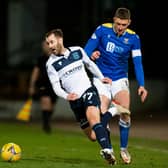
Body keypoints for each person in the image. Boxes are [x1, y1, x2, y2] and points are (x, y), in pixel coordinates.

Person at [45, 28, 129, 165]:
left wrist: (101, 78)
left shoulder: (77, 51)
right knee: (93, 136)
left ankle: (107, 150)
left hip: (88, 91)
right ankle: (113, 111)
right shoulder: (50, 64)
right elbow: (56, 86)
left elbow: (90, 64)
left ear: (60, 40)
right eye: (48, 43)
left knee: (94, 118)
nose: (50, 46)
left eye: (52, 42)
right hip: (75, 100)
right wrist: (67, 96)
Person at [84, 7, 148, 164]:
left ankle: (123, 148)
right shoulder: (102, 30)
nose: (120, 28)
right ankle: (109, 150)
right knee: (103, 113)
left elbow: (137, 63)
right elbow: (85, 51)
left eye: (124, 25)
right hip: (101, 78)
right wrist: (91, 55)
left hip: (120, 79)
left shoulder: (134, 38)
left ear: (129, 23)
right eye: (118, 23)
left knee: (125, 112)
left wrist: (141, 85)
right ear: (114, 19)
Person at [28, 40, 58, 134]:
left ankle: (47, 121)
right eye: (43, 45)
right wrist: (32, 86)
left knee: (51, 106)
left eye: (45, 45)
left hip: (55, 85)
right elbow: (35, 72)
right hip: (43, 84)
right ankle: (46, 125)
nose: (43, 47)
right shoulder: (41, 59)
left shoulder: (57, 57)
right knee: (46, 101)